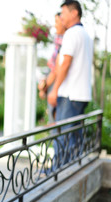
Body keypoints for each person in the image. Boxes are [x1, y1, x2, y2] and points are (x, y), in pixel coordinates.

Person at [47, 0, 93, 165]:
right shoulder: (85, 34)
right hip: (81, 94)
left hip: (70, 94)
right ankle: (71, 168)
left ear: (74, 13)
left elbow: (65, 64)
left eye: (64, 12)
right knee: (74, 136)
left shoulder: (72, 33)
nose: (61, 17)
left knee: (63, 135)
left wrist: (54, 90)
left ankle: (59, 171)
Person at [38, 12, 66, 123]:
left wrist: (45, 87)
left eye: (57, 22)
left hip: (57, 85)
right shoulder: (58, 38)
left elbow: (56, 70)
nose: (55, 25)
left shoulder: (64, 40)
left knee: (54, 123)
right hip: (53, 81)